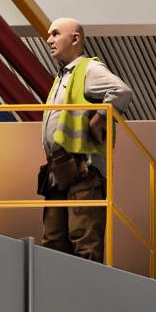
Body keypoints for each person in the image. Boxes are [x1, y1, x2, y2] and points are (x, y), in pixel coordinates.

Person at [31, 51, 124, 261]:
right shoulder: (62, 76)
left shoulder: (88, 69)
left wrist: (101, 117)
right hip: (60, 171)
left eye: (56, 34)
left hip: (84, 171)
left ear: (74, 39)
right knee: (54, 241)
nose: (49, 40)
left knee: (84, 239)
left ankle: (86, 291)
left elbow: (121, 91)